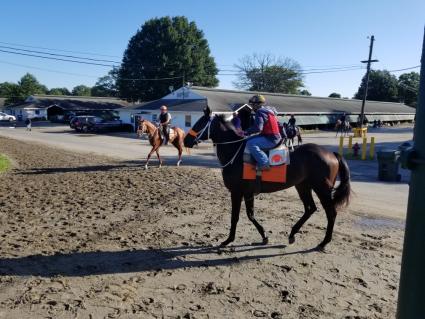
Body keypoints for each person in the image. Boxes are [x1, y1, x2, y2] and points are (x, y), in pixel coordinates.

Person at [244, 94, 281, 171]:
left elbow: (258, 128)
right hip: (271, 136)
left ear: (257, 104)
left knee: (251, 143)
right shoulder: (268, 110)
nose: (252, 107)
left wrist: (245, 132)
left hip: (271, 138)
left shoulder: (260, 112)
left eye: (253, 104)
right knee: (247, 140)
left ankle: (264, 164)